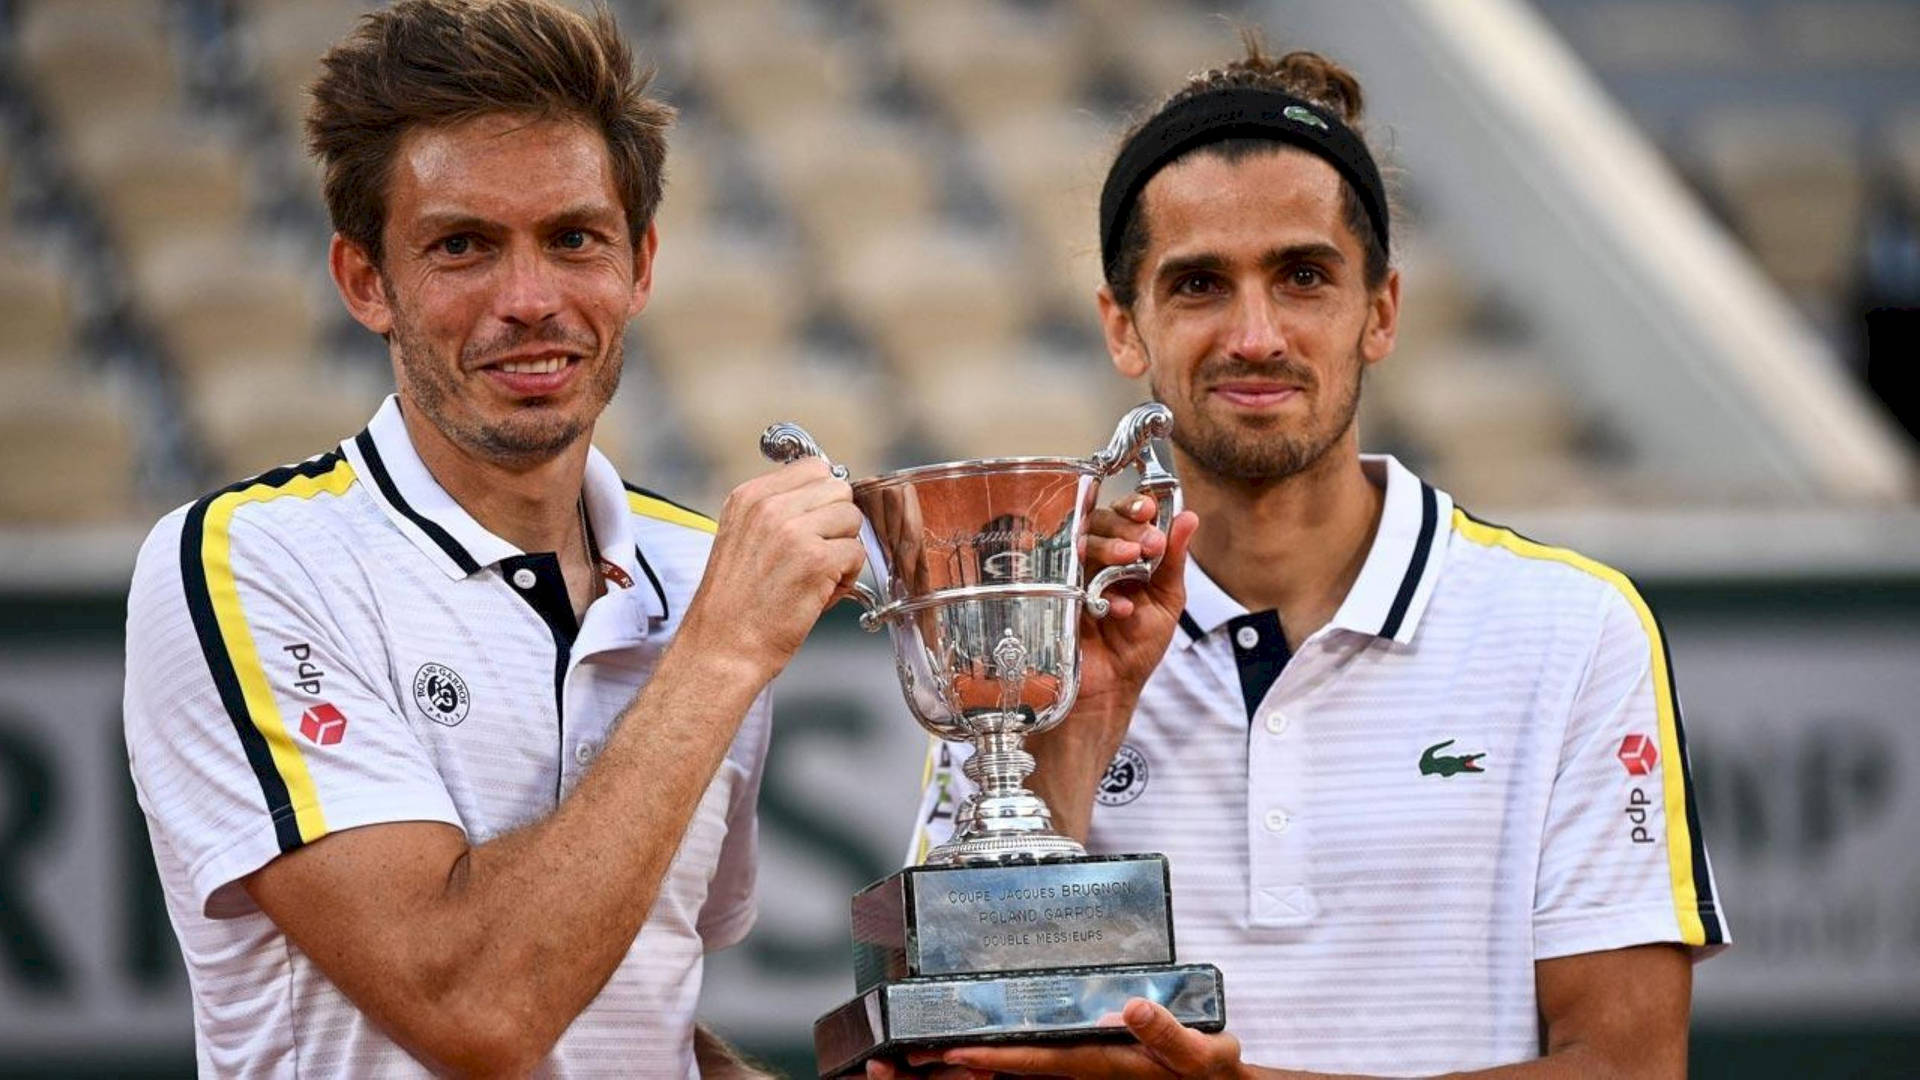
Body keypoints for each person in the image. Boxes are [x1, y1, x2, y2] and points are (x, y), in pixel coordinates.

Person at [893, 37, 1728, 1079]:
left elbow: (1629, 1067)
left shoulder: (1574, 628)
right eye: (1199, 284)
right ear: (1124, 327)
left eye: (1302, 276)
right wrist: (1071, 745)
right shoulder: (1038, 645)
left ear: (1379, 309)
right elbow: (957, 1051)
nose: (1255, 334)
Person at [121, 1, 865, 1074]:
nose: (529, 300)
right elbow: (478, 1009)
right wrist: (721, 650)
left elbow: (625, 994)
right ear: (365, 281)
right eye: (463, 246)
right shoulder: (245, 561)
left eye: (574, 240)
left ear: (640, 265)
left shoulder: (703, 568)